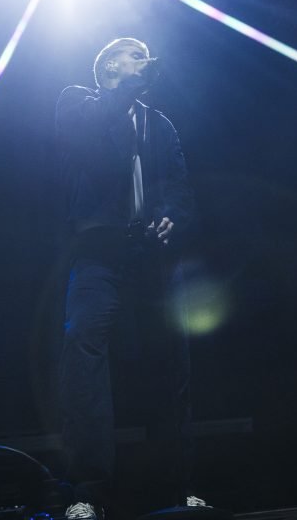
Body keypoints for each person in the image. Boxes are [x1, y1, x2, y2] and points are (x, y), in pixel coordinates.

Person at [55, 38, 202, 520]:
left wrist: (173, 217)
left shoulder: (160, 124)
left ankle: (177, 490)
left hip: (151, 256)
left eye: (146, 55)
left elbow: (179, 187)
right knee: (82, 345)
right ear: (109, 66)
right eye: (135, 55)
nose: (146, 60)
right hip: (99, 253)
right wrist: (122, 91)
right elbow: (88, 141)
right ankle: (87, 492)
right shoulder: (78, 102)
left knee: (172, 360)